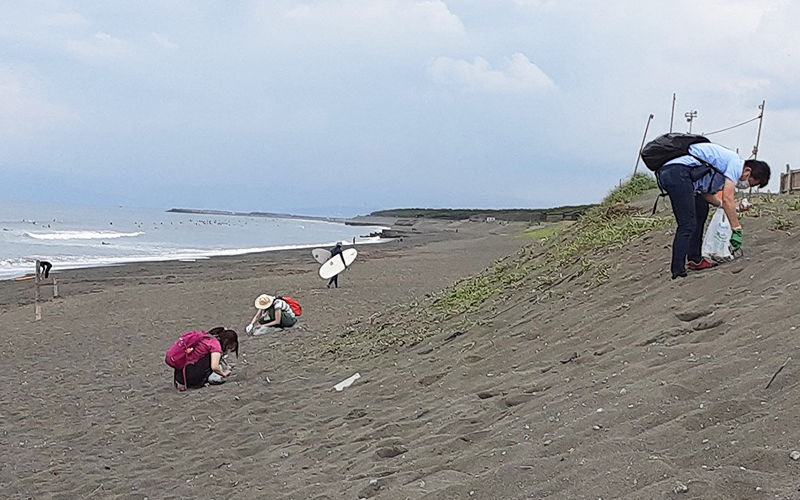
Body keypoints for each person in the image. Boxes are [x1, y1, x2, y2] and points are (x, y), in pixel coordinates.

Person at [658, 141, 771, 279]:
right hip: (676, 173)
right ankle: (678, 271)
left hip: (679, 176)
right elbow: (727, 198)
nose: (745, 185)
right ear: (748, 171)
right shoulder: (736, 163)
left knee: (701, 207)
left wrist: (734, 208)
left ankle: (695, 259)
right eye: (750, 183)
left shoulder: (721, 173)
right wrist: (736, 228)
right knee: (687, 225)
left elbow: (707, 195)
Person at [174, 327, 239, 389]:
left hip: (180, 375)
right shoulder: (215, 345)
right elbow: (214, 367)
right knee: (216, 374)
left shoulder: (207, 338)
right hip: (190, 378)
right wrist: (224, 374)